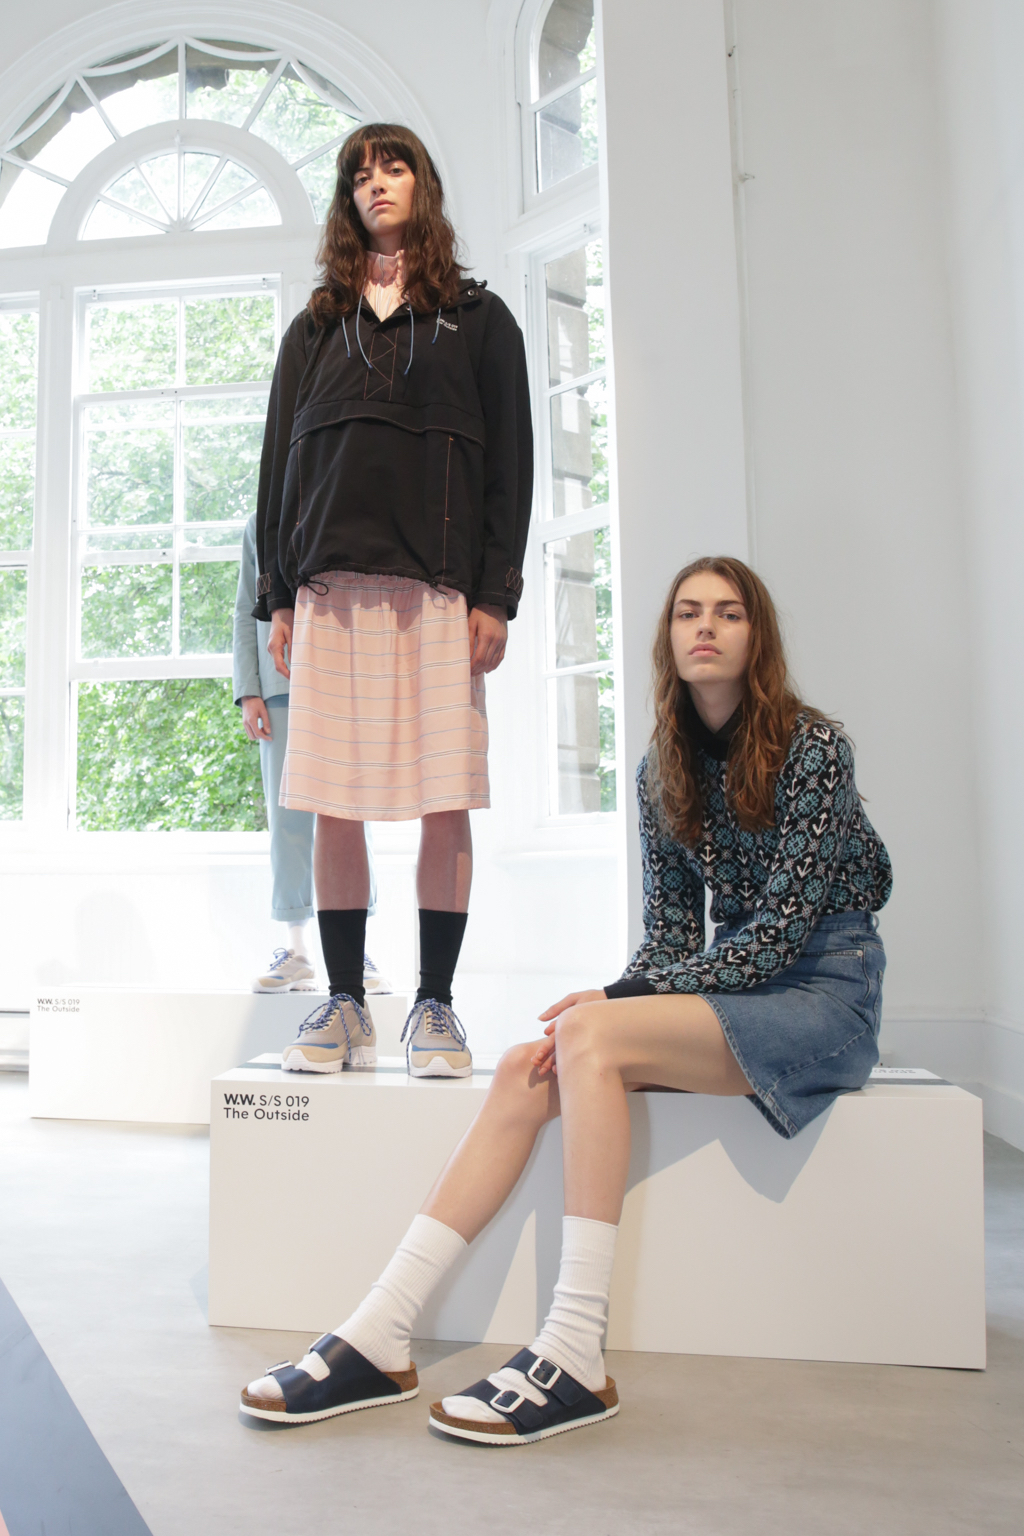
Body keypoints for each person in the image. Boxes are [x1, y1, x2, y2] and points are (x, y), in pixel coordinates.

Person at [238, 555, 893, 1443]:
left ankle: (577, 1347)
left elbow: (779, 938)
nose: (705, 627)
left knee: (589, 1034)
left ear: (757, 637)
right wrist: (621, 994)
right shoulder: (662, 770)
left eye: (729, 613)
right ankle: (381, 1331)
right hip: (734, 987)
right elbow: (671, 941)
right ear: (668, 638)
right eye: (687, 612)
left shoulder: (813, 749)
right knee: (526, 1064)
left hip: (825, 993)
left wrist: (619, 1004)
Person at [252, 123, 532, 1078]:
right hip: (329, 591)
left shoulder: (481, 321)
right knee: (334, 803)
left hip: (438, 592)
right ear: (346, 200)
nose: (377, 184)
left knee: (444, 800)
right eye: (360, 174)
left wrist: (496, 593)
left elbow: (511, 467)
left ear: (424, 184)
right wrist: (278, 596)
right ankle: (343, 1002)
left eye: (394, 166)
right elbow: (277, 471)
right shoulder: (314, 329)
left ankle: (435, 1006)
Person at [232, 512, 389, 1002]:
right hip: (278, 687)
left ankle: (355, 950)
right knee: (288, 821)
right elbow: (245, 609)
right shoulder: (261, 523)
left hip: (344, 678)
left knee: (351, 813)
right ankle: (296, 949)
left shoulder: (341, 508)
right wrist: (248, 690)